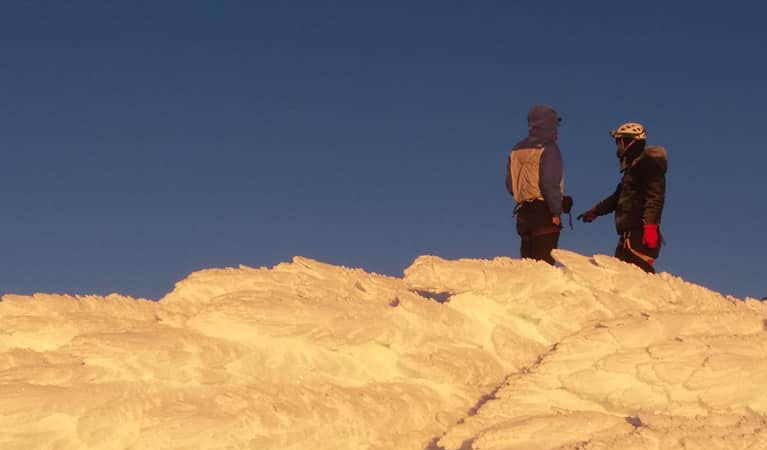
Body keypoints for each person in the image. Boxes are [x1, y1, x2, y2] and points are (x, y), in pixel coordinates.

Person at [577, 122, 667, 273]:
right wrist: (595, 211)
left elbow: (655, 196)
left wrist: (650, 226)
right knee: (621, 285)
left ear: (631, 143)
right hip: (627, 238)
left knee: (637, 285)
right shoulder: (632, 171)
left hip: (641, 237)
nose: (618, 148)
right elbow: (617, 198)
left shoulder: (649, 165)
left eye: (620, 142)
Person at [506, 104, 572, 265]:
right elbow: (549, 184)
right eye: (555, 124)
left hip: (523, 216)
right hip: (544, 214)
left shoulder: (516, 149)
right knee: (543, 274)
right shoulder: (549, 148)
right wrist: (556, 212)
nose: (557, 129)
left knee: (529, 273)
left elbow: (510, 185)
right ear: (547, 124)